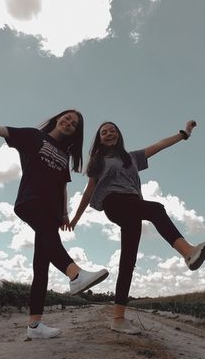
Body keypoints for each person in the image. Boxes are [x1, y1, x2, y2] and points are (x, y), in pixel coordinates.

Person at [0, 110, 109, 338]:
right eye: (67, 118)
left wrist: (64, 213)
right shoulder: (33, 136)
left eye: (74, 124)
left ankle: (35, 326)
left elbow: (63, 186)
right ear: (57, 118)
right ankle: (75, 275)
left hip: (52, 211)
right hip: (30, 201)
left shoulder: (65, 154)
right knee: (46, 237)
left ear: (75, 132)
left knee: (41, 267)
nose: (68, 123)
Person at [69, 120, 205, 335]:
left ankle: (118, 319)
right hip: (113, 202)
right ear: (99, 139)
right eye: (104, 132)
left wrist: (184, 134)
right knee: (157, 209)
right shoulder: (98, 161)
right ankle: (188, 252)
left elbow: (160, 145)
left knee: (128, 262)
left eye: (112, 130)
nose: (108, 133)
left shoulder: (131, 157)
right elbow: (88, 192)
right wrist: (75, 218)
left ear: (118, 134)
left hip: (133, 207)